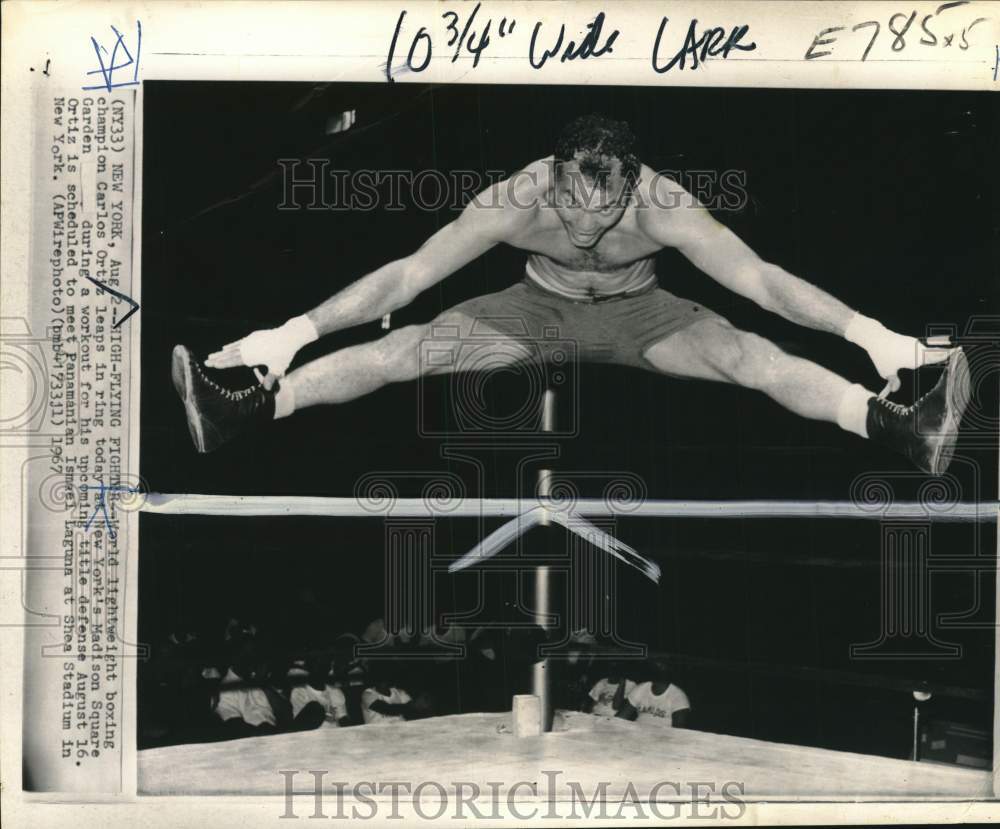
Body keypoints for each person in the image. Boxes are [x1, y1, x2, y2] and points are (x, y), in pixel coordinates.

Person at [172, 114, 967, 475]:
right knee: (402, 349)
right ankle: (245, 409)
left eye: (607, 207)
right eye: (572, 203)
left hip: (643, 316)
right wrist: (294, 329)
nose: (587, 224)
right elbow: (409, 275)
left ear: (632, 188)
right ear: (550, 177)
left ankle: (897, 424)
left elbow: (760, 281)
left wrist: (875, 334)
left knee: (750, 356)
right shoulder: (514, 198)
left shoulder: (666, 205)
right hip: (532, 311)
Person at [618, 659, 691, 728]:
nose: (655, 667)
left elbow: (678, 731)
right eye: (654, 665)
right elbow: (621, 718)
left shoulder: (678, 696)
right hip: (637, 732)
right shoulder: (641, 688)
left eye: (660, 665)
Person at [289, 651, 351, 727]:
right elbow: (303, 728)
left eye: (325, 665)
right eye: (318, 664)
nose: (322, 669)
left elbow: (343, 720)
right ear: (309, 667)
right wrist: (330, 717)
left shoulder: (336, 691)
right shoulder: (299, 693)